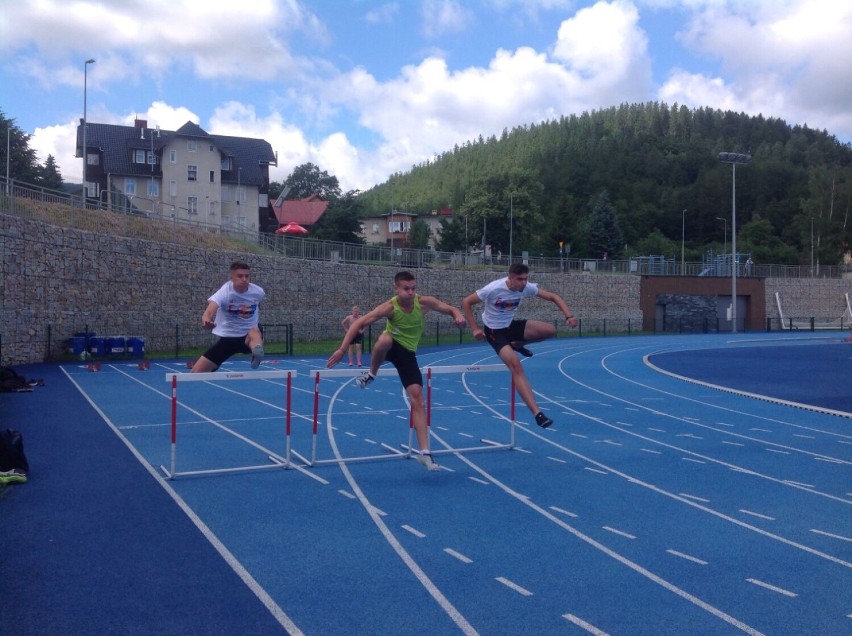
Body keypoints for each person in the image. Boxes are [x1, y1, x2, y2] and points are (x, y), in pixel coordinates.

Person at [326, 271, 466, 471]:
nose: (410, 292)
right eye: (405, 289)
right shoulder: (390, 307)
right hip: (389, 346)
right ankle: (371, 373)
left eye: (413, 288)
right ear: (396, 289)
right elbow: (359, 323)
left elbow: (450, 308)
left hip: (407, 354)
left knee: (418, 398)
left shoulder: (424, 302)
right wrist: (342, 349)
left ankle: (425, 453)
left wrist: (458, 315)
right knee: (384, 339)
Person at [461, 263, 578, 429]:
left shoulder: (526, 288)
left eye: (525, 279)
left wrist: (569, 316)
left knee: (550, 330)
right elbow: (466, 302)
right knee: (516, 366)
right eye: (519, 279)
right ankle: (538, 414)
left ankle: (517, 344)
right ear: (510, 278)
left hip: (510, 326)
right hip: (495, 332)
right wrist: (474, 328)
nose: (523, 283)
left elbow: (553, 297)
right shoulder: (493, 289)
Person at [191, 261, 265, 373]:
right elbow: (209, 311)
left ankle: (257, 353)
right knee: (196, 372)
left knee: (255, 331)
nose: (244, 279)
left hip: (247, 336)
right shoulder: (224, 292)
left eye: (247, 276)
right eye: (240, 276)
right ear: (232, 277)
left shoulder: (258, 292)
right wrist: (206, 321)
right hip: (228, 338)